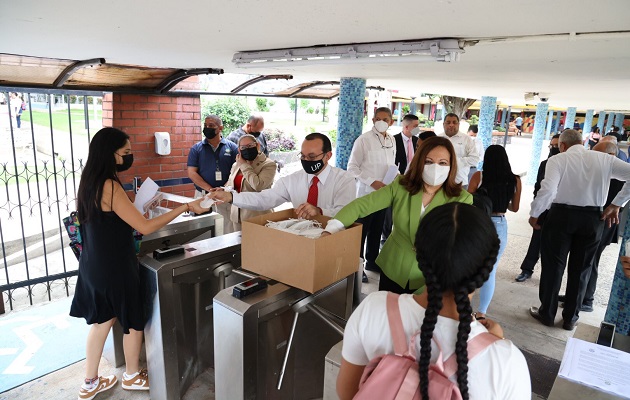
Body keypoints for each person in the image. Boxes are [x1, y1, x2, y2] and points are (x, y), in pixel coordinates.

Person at [336, 203, 531, 400]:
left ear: (420, 254)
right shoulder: (507, 362)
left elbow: (347, 393)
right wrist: (496, 343)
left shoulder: (373, 308)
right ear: (486, 269)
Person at [70, 127, 210, 400]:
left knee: (102, 322)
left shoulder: (90, 181)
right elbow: (144, 228)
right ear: (109, 154)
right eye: (126, 153)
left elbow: (113, 218)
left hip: (94, 264)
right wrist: (185, 207)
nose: (129, 156)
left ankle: (90, 382)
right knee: (133, 319)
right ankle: (132, 375)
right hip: (115, 265)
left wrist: (140, 207)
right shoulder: (109, 185)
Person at [324, 137, 473, 294]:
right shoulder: (401, 186)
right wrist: (332, 227)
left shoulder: (462, 199)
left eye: (442, 163)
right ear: (419, 162)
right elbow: (363, 205)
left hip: (432, 277)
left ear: (451, 166)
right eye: (428, 162)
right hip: (394, 269)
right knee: (388, 315)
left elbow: (463, 243)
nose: (435, 168)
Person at [529, 129, 630, 331]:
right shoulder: (603, 159)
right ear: (582, 142)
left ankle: (547, 313)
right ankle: (570, 318)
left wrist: (535, 213)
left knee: (553, 267)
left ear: (562, 146)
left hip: (560, 217)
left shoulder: (558, 160)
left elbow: (548, 190)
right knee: (582, 268)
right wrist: (617, 204)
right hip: (593, 218)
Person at [207, 133, 355, 219]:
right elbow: (264, 199)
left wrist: (320, 212)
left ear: (328, 156)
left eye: (312, 156)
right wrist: (231, 197)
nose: (307, 161)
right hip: (302, 239)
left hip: (333, 241)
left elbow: (347, 212)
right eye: (303, 156)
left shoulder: (344, 180)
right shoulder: (292, 180)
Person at [558, 140, 624, 312]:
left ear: (611, 155)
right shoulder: (598, 166)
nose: (592, 157)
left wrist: (616, 205)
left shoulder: (615, 168)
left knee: (590, 262)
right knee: (583, 262)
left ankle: (587, 299)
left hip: (604, 222)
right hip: (592, 221)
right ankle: (574, 298)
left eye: (597, 153)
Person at [468, 145, 522, 318]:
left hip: (478, 223)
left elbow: (468, 201)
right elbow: (515, 208)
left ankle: (463, 308)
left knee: (469, 265)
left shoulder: (479, 176)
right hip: (499, 224)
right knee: (490, 270)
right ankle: (481, 313)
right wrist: (500, 202)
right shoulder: (515, 180)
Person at [347, 107, 397, 280]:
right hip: (366, 194)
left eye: (385, 119)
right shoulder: (363, 140)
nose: (381, 122)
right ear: (373, 120)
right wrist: (371, 181)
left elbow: (390, 163)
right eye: (378, 119)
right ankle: (356, 268)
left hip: (384, 194)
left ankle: (372, 262)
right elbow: (352, 167)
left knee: (377, 229)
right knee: (361, 232)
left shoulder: (391, 139)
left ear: (391, 121)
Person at [516, 134, 560, 282]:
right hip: (543, 209)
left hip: (559, 210)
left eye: (556, 146)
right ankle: (527, 269)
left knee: (555, 245)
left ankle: (550, 275)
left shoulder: (568, 165)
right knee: (536, 240)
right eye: (551, 146)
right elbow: (538, 186)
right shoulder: (544, 164)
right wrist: (536, 205)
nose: (553, 148)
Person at [187, 114, 238, 234]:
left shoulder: (232, 148)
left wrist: (223, 189)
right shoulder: (196, 149)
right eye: (205, 125)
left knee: (226, 230)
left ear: (220, 128)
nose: (207, 128)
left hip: (224, 197)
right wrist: (210, 190)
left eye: (211, 125)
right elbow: (192, 173)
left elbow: (237, 171)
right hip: (203, 195)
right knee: (200, 231)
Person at [224, 134, 276, 231]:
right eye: (243, 147)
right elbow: (231, 184)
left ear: (257, 146)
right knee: (239, 245)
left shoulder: (268, 164)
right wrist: (222, 190)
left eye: (250, 146)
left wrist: (244, 165)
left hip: (257, 215)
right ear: (239, 150)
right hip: (237, 215)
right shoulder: (236, 164)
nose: (246, 149)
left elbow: (258, 186)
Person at [382, 114, 420, 248]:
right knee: (390, 209)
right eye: (415, 126)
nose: (417, 129)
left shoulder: (418, 141)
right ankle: (385, 238)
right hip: (396, 178)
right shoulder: (393, 140)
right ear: (406, 126)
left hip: (413, 180)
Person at [439, 113, 480, 188]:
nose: (451, 125)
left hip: (459, 182)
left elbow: (475, 159)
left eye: (454, 122)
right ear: (443, 124)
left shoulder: (466, 139)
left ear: (459, 124)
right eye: (448, 122)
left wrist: (455, 161)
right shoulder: (437, 139)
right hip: (440, 182)